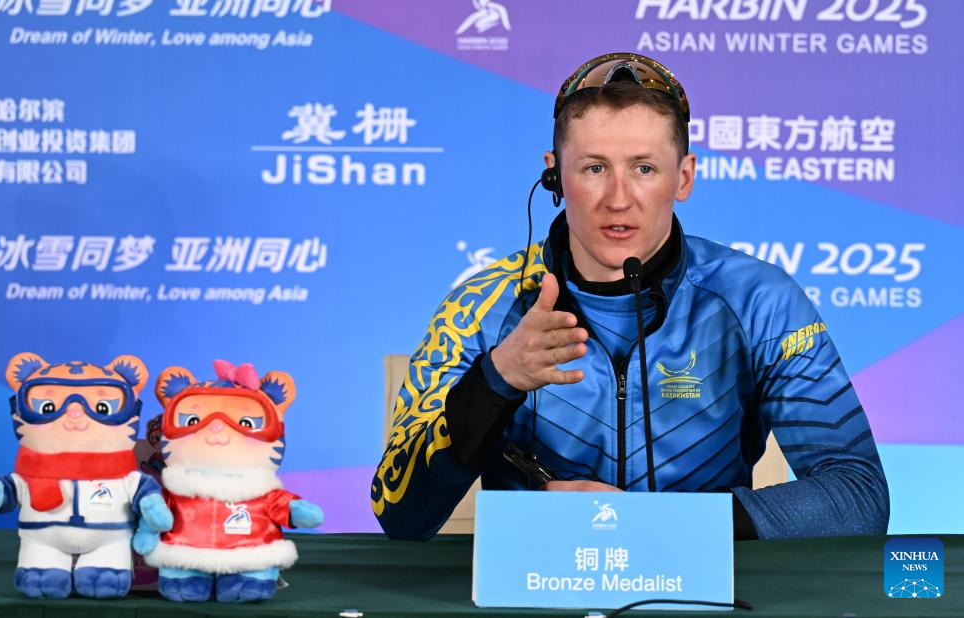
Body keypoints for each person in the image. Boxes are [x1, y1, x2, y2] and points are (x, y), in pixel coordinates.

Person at [371, 53, 890, 541]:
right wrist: (495, 379)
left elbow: (859, 496)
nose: (618, 199)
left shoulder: (758, 299)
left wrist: (656, 524)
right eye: (594, 168)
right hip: (533, 583)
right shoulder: (483, 307)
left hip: (705, 586)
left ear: (683, 177)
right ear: (554, 175)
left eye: (644, 168)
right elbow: (400, 515)